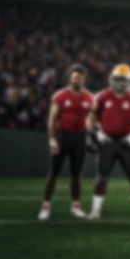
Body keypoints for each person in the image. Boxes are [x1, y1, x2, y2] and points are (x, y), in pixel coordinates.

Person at [86, 64, 130, 221]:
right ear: (111, 79)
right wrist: (93, 133)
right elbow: (93, 116)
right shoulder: (102, 96)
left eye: (124, 80)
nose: (121, 83)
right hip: (107, 142)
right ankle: (95, 210)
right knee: (101, 178)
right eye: (118, 79)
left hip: (126, 144)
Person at [39, 64, 93, 221]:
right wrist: (52, 139)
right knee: (54, 173)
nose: (78, 79)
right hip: (62, 137)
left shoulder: (89, 97)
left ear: (84, 79)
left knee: (76, 175)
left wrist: (92, 128)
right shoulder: (60, 95)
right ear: (70, 78)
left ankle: (76, 207)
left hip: (80, 139)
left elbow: (91, 118)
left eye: (80, 77)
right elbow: (51, 120)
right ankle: (45, 206)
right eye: (75, 77)